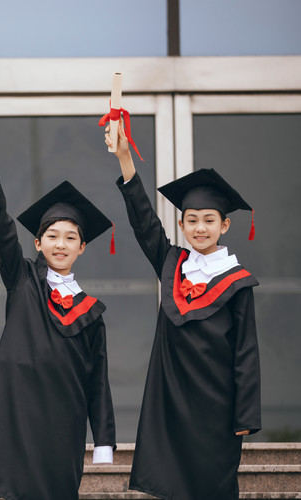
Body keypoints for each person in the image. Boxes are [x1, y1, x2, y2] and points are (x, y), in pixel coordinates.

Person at [106, 122, 261, 499]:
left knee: (212, 484)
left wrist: (245, 414)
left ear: (224, 224)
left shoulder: (237, 280)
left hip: (217, 400)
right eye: (192, 220)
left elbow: (246, 350)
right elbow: (145, 224)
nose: (200, 228)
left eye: (209, 220)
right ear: (181, 224)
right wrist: (125, 157)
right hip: (171, 395)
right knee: (170, 484)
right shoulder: (172, 263)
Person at [0, 143, 117, 500]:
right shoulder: (22, 281)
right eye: (52, 236)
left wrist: (103, 440)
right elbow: (2, 231)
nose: (61, 244)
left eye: (71, 238)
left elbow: (97, 379)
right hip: (15, 418)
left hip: (61, 425)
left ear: (82, 247)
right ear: (37, 242)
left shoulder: (91, 312)